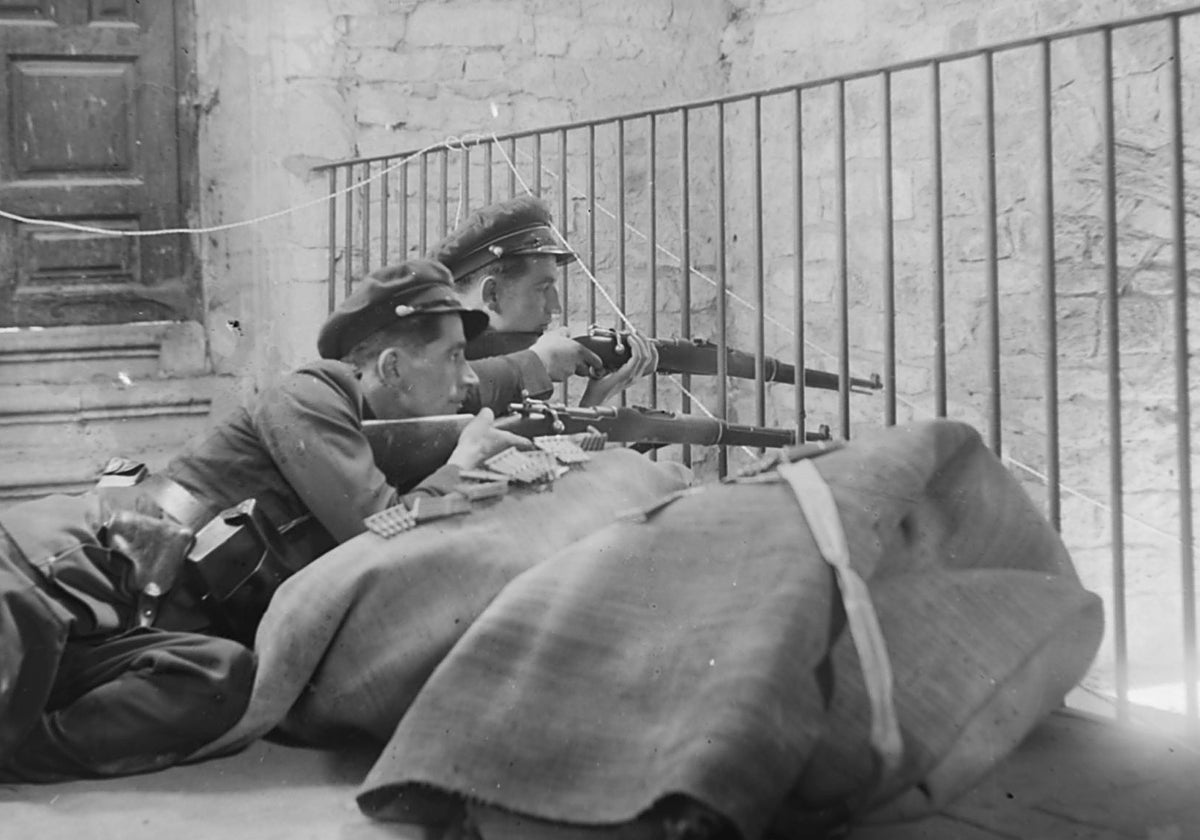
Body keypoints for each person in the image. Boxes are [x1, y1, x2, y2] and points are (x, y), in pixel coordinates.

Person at [0, 259, 531, 783]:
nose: (466, 377)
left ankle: (20, 752)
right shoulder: (312, 393)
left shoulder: (361, 423)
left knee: (221, 676)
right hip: (52, 574)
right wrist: (459, 466)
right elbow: (385, 531)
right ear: (392, 368)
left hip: (125, 621)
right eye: (456, 356)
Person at [430, 194, 658, 407]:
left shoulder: (492, 376)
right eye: (543, 289)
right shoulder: (429, 370)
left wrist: (595, 399)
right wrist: (534, 363)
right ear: (492, 293)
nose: (556, 307)